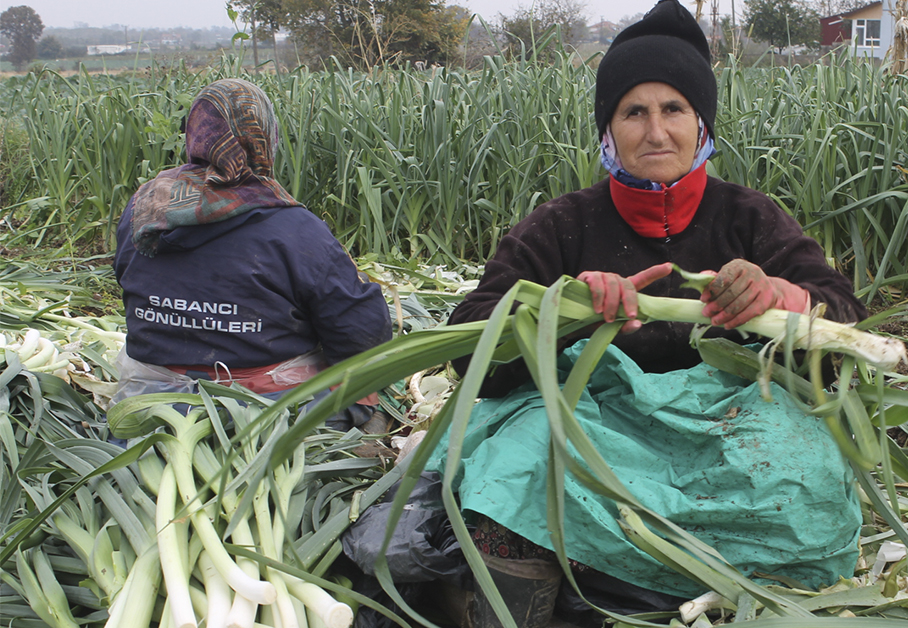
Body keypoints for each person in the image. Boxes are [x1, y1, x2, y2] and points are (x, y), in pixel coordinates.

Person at [435, 2, 868, 626]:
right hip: (591, 427)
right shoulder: (560, 224)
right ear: (607, 130)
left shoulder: (748, 218)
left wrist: (781, 297)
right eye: (633, 112)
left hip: (726, 431)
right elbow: (467, 342)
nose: (656, 131)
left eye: (674, 110)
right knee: (524, 453)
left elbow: (844, 320)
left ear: (702, 125)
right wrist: (569, 308)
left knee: (807, 467)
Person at [112, 78, 391, 429]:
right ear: (264, 139)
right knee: (366, 387)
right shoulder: (294, 227)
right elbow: (361, 334)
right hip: (265, 408)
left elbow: (126, 277)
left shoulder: (145, 209)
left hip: (153, 401)